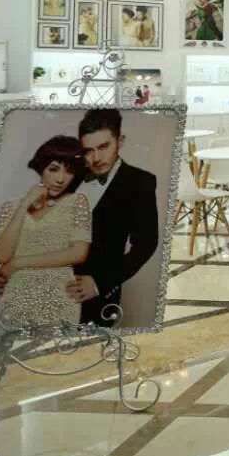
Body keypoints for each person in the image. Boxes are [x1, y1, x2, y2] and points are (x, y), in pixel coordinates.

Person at [66, 109, 159, 326]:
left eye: (103, 147)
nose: (96, 158)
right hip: (50, 286)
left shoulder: (141, 182)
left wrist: (99, 283)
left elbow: (146, 244)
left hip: (96, 297)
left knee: (93, 346)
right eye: (88, 151)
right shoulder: (68, 175)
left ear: (120, 141)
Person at [0, 136, 91, 330]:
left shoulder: (77, 202)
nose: (61, 179)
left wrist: (17, 263)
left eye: (69, 171)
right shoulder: (11, 206)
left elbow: (78, 253)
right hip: (15, 299)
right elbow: (1, 255)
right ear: (41, 168)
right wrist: (24, 205)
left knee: (57, 349)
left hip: (59, 299)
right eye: (53, 169)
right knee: (12, 348)